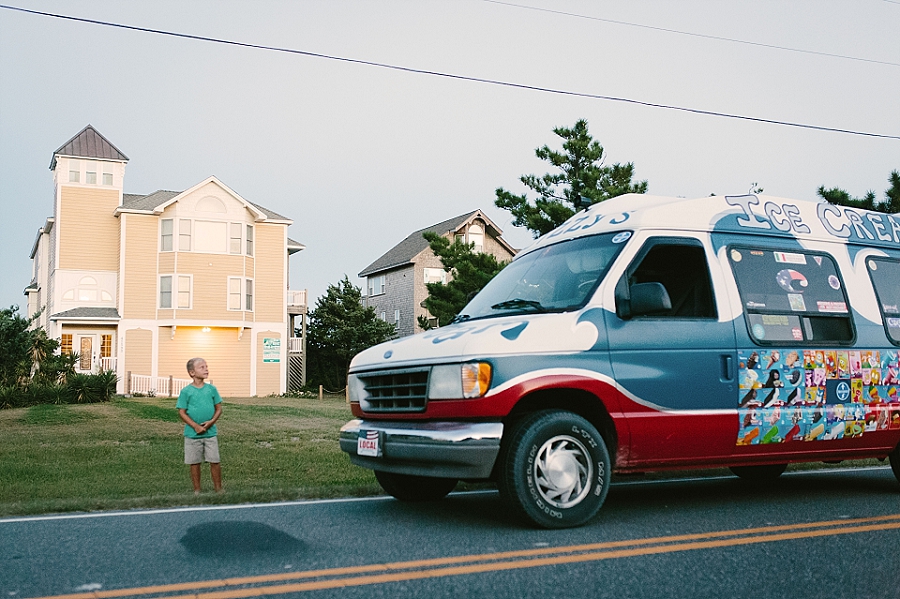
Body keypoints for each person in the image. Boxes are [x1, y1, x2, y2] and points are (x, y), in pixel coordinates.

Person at [176, 357, 223, 494]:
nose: (206, 369)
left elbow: (218, 408)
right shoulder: (186, 392)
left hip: (210, 433)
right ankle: (197, 490)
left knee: (214, 461)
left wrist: (211, 422)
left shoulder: (211, 389)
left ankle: (218, 488)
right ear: (192, 372)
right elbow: (182, 412)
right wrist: (195, 426)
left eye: (206, 366)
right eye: (201, 367)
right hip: (192, 434)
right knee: (194, 462)